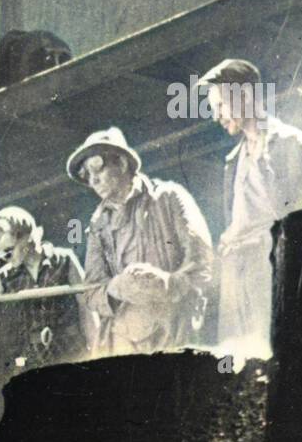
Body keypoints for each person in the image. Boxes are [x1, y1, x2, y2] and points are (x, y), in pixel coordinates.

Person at [198, 58, 302, 357]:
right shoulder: (232, 161)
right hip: (239, 279)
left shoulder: (289, 142)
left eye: (220, 105)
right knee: (240, 365)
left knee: (279, 357)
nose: (216, 115)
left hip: (275, 274)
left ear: (245, 96)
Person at [67, 127, 214, 357]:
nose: (93, 179)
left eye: (97, 166)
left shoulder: (168, 197)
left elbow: (203, 262)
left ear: (123, 164)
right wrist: (115, 288)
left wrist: (167, 284)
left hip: (174, 331)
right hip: (126, 340)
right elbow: (91, 290)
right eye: (86, 174)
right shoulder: (98, 225)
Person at [0, 205, 86, 367]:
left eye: (9, 250)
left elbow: (88, 306)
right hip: (37, 357)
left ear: (28, 238)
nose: (4, 257)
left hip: (71, 350)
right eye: (0, 252)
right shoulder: (7, 275)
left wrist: (97, 347)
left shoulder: (64, 259)